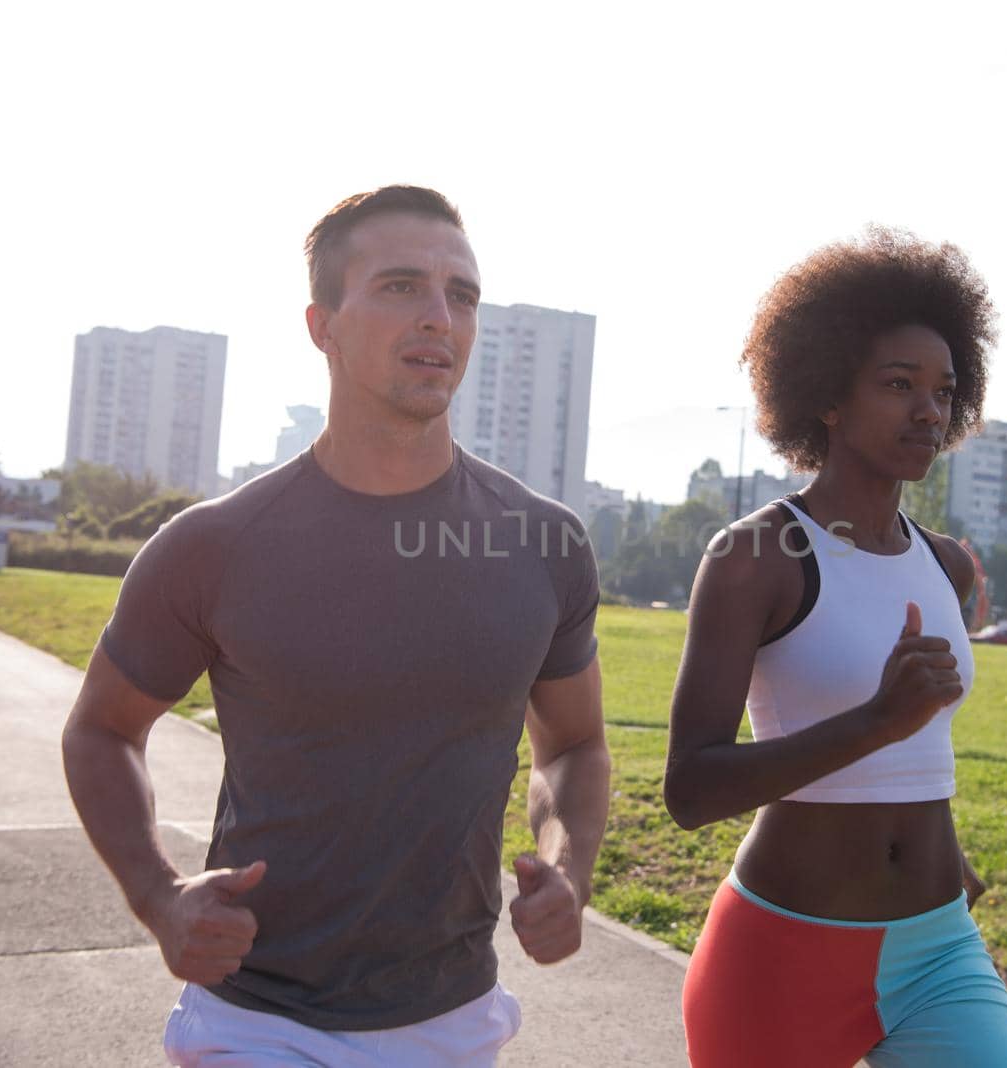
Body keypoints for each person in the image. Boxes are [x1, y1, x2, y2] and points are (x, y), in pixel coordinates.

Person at [61, 185, 610, 1066]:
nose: (440, 317)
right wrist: (160, 899)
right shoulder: (212, 547)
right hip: (257, 1022)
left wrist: (571, 869)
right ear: (322, 324)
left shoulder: (545, 543)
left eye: (460, 294)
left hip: (457, 1019)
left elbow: (575, 748)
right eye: (400, 286)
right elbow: (101, 730)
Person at [664, 228, 1007, 1066]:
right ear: (828, 395)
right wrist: (876, 721)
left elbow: (918, 752)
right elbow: (691, 788)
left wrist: (944, 850)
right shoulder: (756, 557)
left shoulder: (946, 564)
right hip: (783, 955)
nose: (928, 412)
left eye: (944, 390)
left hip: (937, 946)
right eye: (898, 385)